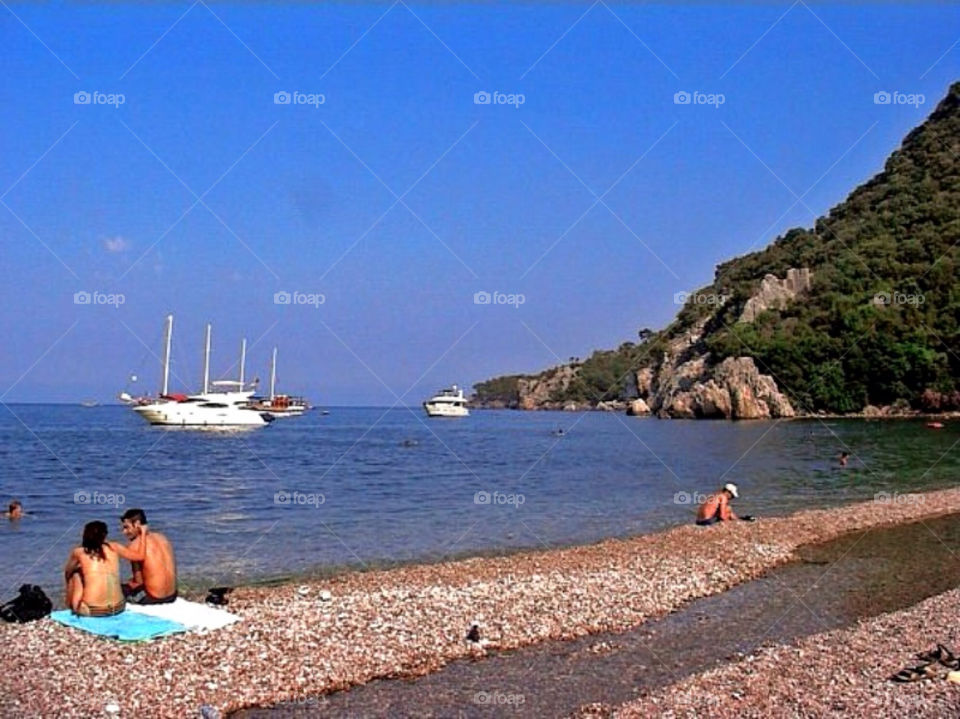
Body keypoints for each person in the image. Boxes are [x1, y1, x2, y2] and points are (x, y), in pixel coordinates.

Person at [63, 520, 142, 616]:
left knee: (75, 573)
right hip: (118, 607)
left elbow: (67, 571)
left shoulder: (79, 552)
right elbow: (139, 556)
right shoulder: (115, 547)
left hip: (93, 611)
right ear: (105, 535)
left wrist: (69, 585)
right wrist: (143, 533)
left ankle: (71, 606)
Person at [118, 508, 178, 604]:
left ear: (137, 524)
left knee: (116, 589)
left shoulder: (134, 545)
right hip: (172, 596)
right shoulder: (163, 538)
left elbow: (139, 582)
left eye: (126, 527)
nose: (124, 532)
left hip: (153, 598)